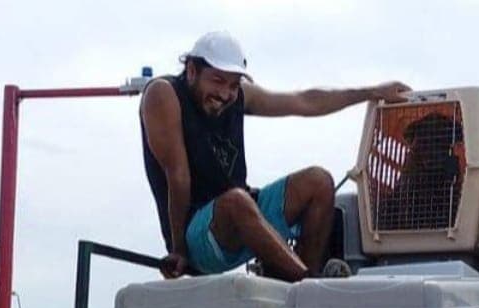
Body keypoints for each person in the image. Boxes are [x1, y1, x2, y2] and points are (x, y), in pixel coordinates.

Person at [141, 30, 410, 281]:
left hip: (242, 218)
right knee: (237, 201)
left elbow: (303, 101)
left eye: (233, 85)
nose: (225, 94)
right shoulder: (164, 93)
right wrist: (179, 252)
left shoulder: (238, 97)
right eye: (217, 81)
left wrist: (372, 92)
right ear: (191, 70)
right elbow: (178, 176)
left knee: (318, 181)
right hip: (196, 238)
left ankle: (296, 288)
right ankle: (310, 284)